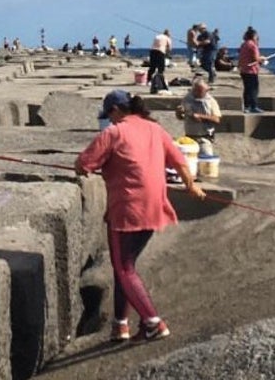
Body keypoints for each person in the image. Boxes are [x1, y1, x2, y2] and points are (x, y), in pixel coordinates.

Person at [75, 90, 206, 342]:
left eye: (110, 116)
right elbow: (180, 160)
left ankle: (153, 322)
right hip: (155, 206)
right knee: (125, 267)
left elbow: (83, 164)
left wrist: (83, 167)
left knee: (124, 268)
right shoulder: (155, 129)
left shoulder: (113, 132)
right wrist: (191, 186)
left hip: (126, 210)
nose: (110, 121)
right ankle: (120, 325)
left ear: (115, 110)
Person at [175, 78, 221, 143]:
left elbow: (216, 119)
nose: (196, 93)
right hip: (190, 136)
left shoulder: (211, 101)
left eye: (200, 91)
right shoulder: (187, 99)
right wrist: (178, 113)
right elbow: (181, 117)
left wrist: (200, 116)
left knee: (206, 152)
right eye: (195, 90)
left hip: (205, 137)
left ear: (206, 91)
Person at [237, 27, 267, 113]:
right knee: (254, 89)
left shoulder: (244, 44)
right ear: (253, 36)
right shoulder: (253, 45)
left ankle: (247, 107)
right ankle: (253, 106)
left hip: (243, 70)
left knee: (247, 89)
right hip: (251, 70)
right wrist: (263, 58)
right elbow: (255, 58)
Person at [147, 29, 172, 94]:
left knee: (152, 66)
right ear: (168, 34)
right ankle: (159, 81)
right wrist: (168, 55)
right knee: (161, 68)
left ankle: (149, 80)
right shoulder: (167, 38)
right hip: (160, 52)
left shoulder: (157, 36)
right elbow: (169, 48)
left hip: (152, 51)